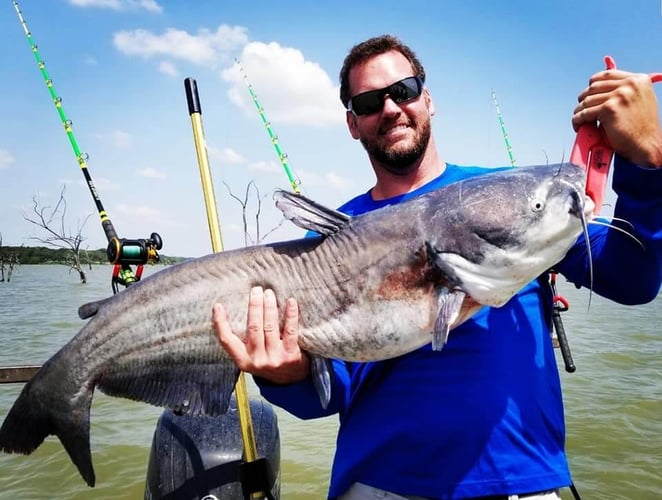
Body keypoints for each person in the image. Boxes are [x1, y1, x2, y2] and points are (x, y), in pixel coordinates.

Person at [212, 35, 662, 500]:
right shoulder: (327, 248)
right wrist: (285, 375)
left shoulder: (514, 205)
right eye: (368, 101)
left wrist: (646, 160)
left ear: (427, 99)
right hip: (378, 486)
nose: (390, 108)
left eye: (402, 90)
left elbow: (633, 279)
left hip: (521, 484)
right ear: (353, 123)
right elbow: (329, 393)